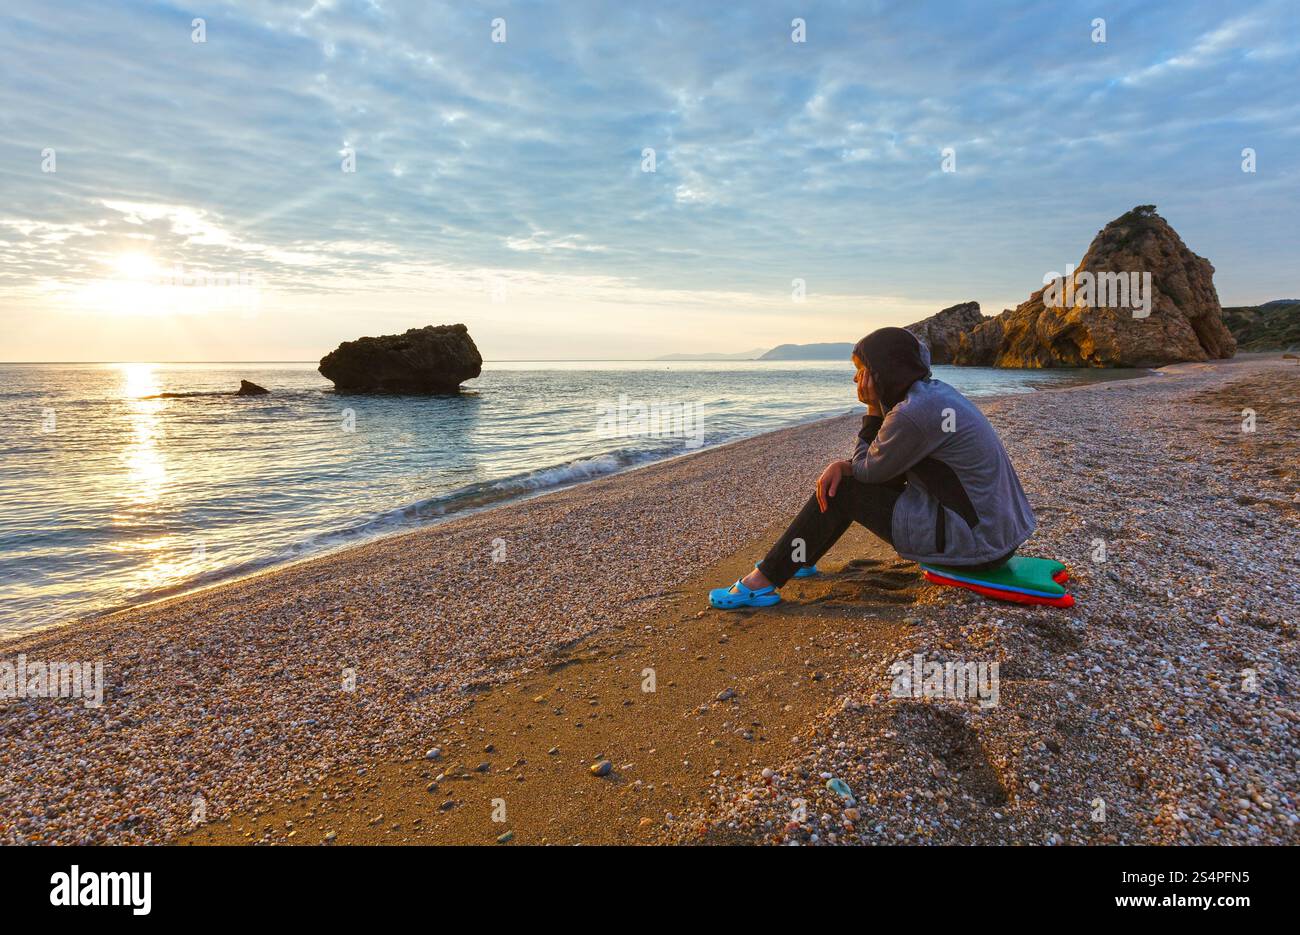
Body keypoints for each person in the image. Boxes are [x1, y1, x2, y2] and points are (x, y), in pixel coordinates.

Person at [710, 327, 1036, 609]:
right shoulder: (934, 395)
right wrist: (849, 464)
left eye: (861, 369)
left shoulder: (913, 412)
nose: (855, 378)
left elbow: (867, 473)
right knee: (849, 477)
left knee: (843, 488)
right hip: (998, 535)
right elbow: (885, 468)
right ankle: (801, 555)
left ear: (882, 372)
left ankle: (762, 582)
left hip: (975, 545)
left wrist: (869, 412)